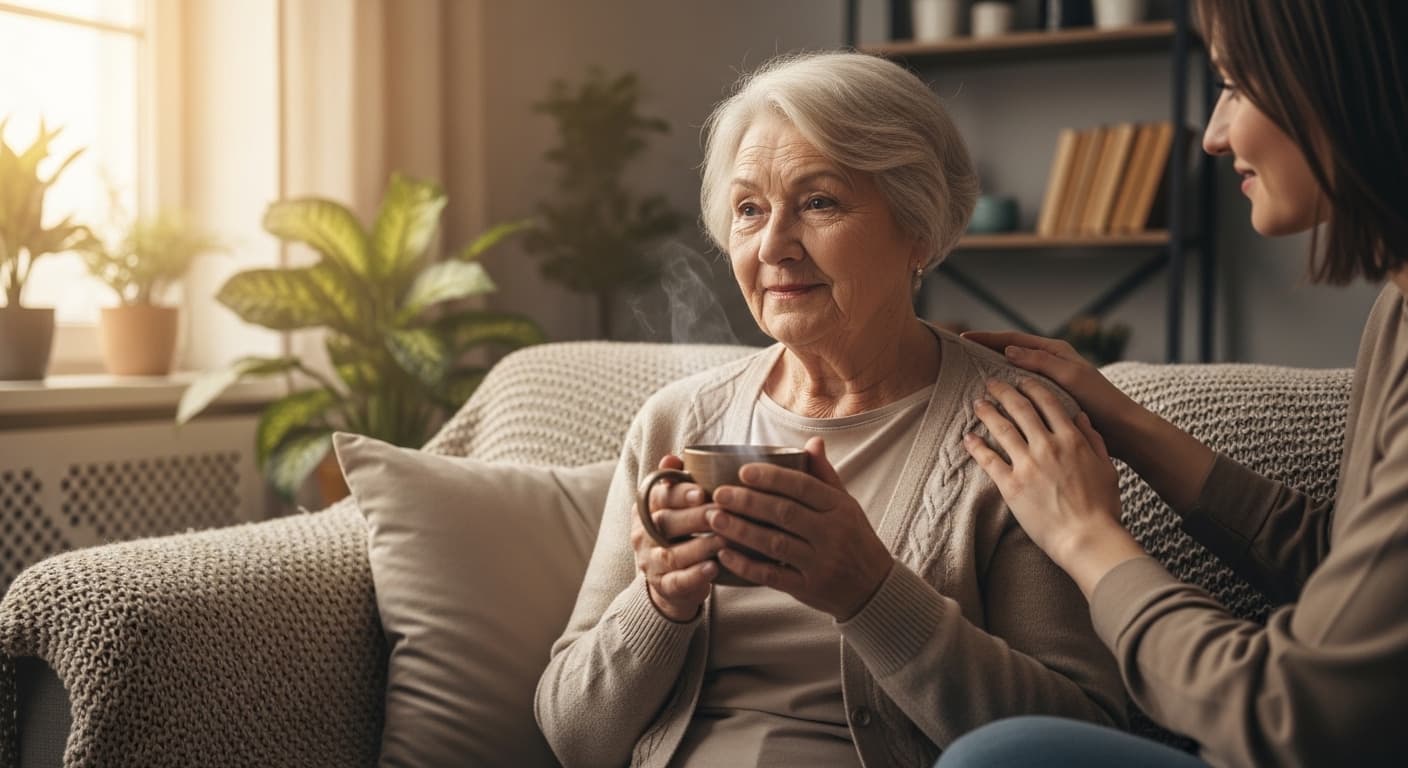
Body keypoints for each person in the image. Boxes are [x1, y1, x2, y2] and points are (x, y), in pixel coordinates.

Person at [534, 51, 1126, 767]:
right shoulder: (675, 422)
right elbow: (573, 736)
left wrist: (871, 593)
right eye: (749, 210)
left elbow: (1076, 740)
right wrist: (659, 602)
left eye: (818, 202)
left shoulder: (1016, 431)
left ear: (918, 227)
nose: (774, 245)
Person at [945, 2, 1408, 766]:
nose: (1214, 135)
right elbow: (1344, 571)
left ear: (1338, 81)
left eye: (1234, 85)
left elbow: (1288, 713)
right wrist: (1129, 425)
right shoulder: (1397, 308)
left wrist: (1083, 536)